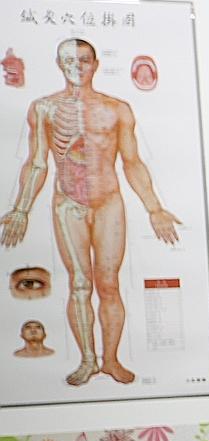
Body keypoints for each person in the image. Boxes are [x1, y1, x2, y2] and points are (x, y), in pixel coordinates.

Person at [1, 39, 182, 386]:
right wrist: (21, 209)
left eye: (84, 60)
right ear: (59, 64)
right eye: (70, 61)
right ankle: (87, 360)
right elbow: (37, 163)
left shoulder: (117, 109)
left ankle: (111, 360)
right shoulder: (43, 108)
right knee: (80, 284)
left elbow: (132, 162)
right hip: (68, 203)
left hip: (108, 202)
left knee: (109, 284)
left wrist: (154, 208)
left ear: (95, 64)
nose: (78, 67)